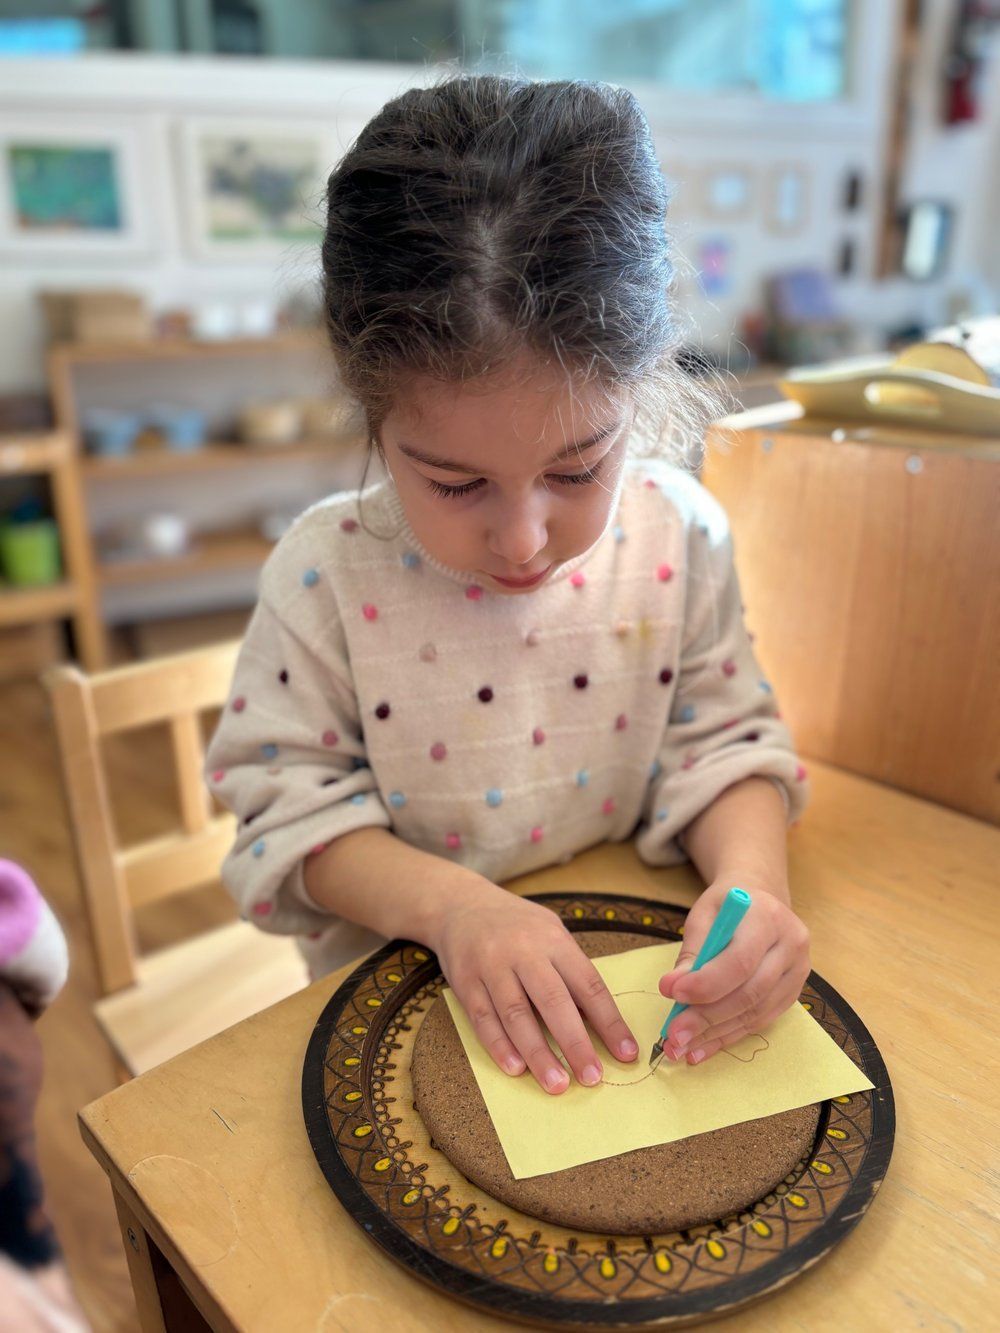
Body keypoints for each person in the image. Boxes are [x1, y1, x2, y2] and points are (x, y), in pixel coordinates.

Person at [206, 73, 811, 1097]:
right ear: (371, 416)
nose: (525, 539)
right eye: (455, 482)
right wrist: (454, 909)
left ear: (647, 382)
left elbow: (723, 736)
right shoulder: (324, 576)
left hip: (623, 968)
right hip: (392, 1002)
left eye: (578, 469)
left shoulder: (680, 533)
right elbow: (283, 815)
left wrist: (753, 883)